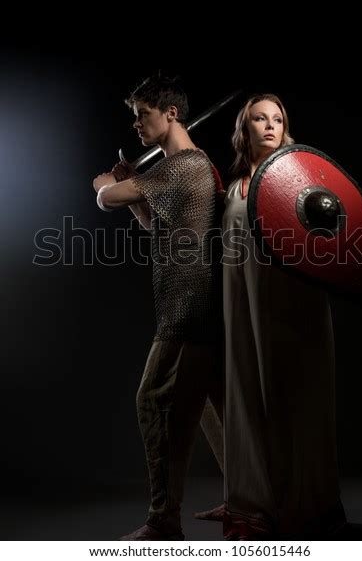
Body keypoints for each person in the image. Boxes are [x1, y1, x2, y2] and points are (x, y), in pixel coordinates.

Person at [93, 75, 224, 540]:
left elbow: (108, 199)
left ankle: (164, 521)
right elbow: (151, 219)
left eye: (142, 114)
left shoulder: (186, 165)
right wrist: (136, 188)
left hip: (188, 312)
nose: (136, 124)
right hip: (185, 308)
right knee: (210, 409)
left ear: (170, 114)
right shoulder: (179, 169)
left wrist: (106, 183)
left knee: (153, 402)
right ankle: (249, 502)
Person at [222, 93, 346, 539]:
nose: (270, 125)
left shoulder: (301, 178)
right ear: (245, 128)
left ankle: (307, 507)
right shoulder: (232, 185)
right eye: (260, 118)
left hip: (294, 306)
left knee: (296, 398)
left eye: (278, 118)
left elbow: (330, 235)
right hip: (244, 307)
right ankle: (254, 507)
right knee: (250, 394)